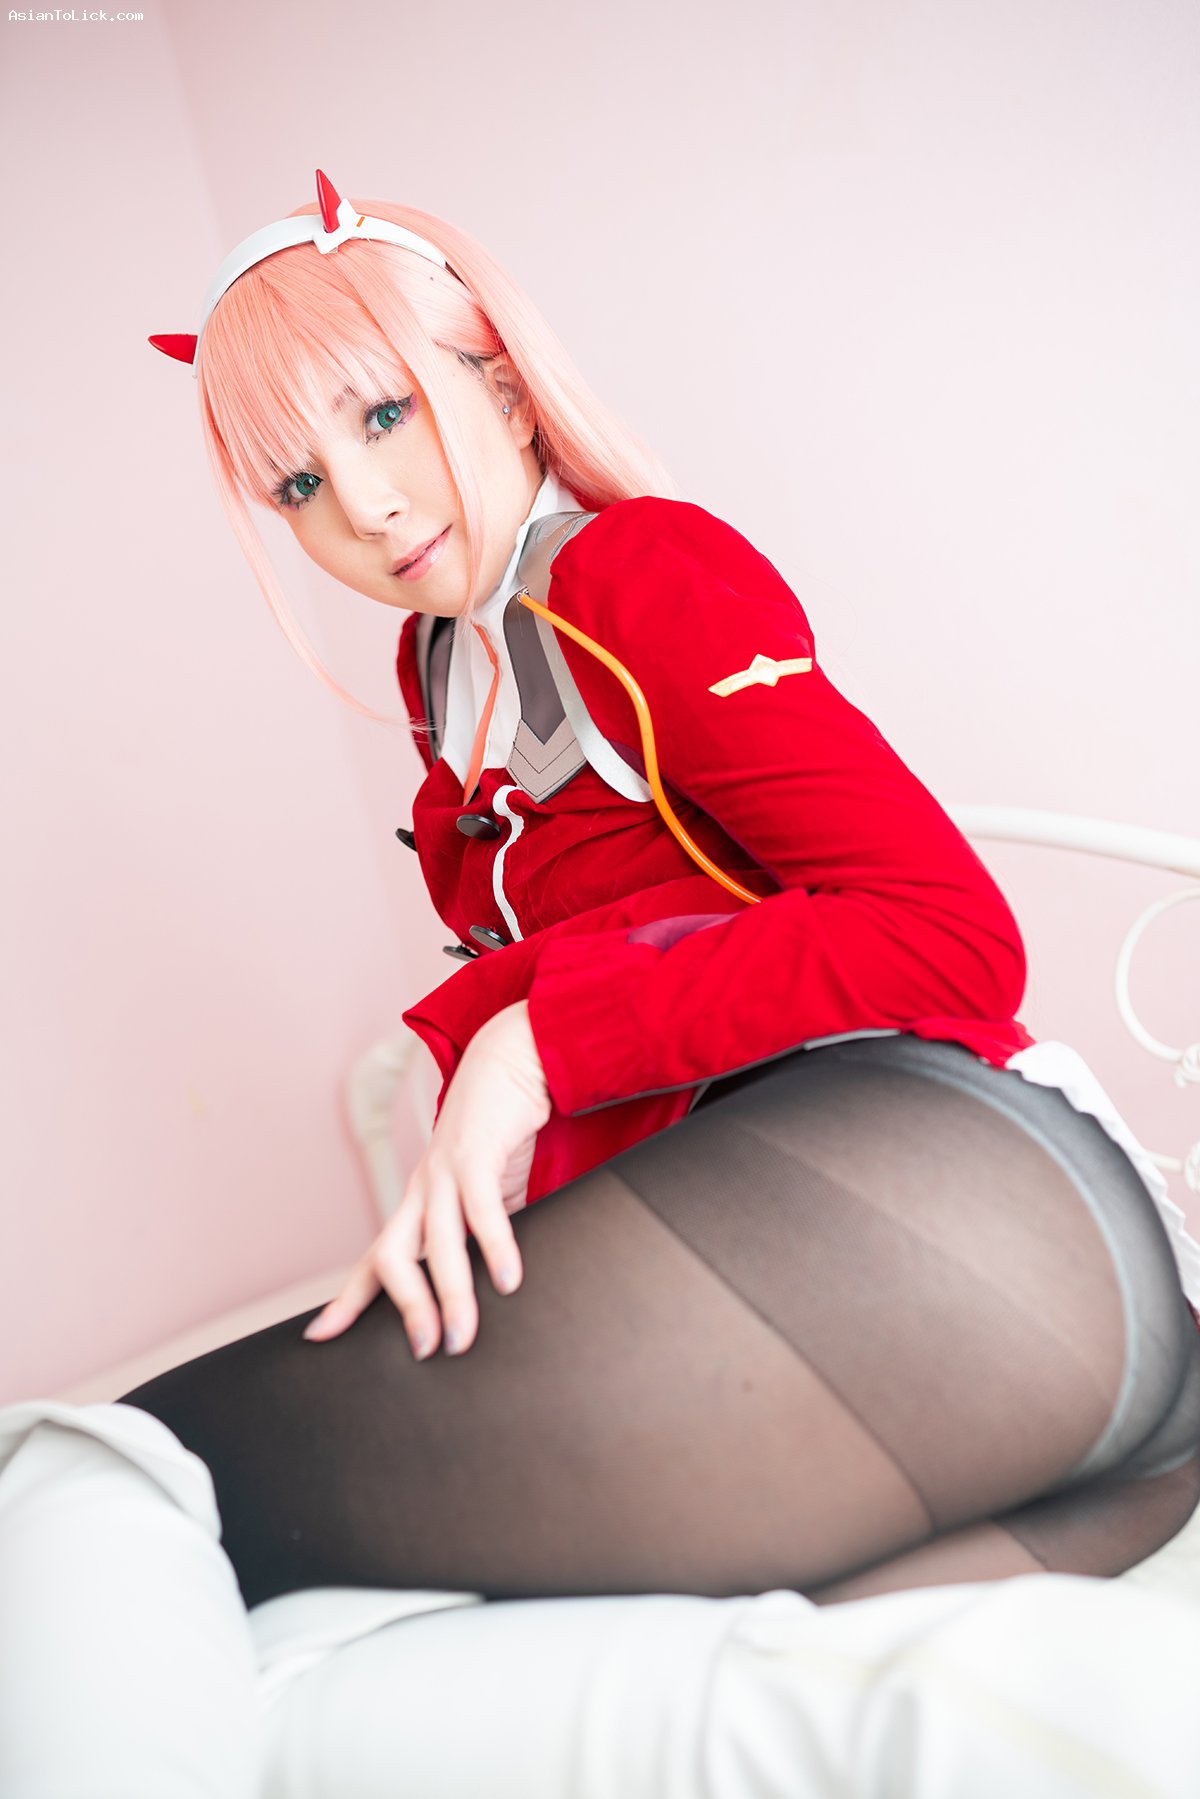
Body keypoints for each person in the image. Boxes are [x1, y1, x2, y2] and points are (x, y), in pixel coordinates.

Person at [3, 166, 1200, 1795]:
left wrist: (533, 1047)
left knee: (102, 1473)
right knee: (358, 1654)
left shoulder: (635, 575)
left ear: (500, 380)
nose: (365, 509)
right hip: (1019, 1385)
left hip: (958, 1229)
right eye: (298, 482)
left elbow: (950, 934)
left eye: (385, 415)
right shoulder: (446, 667)